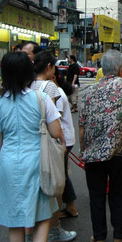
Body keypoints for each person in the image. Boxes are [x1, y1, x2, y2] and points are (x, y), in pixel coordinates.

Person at [0, 52, 63, 242]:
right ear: (29, 72)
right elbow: (57, 132)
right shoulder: (41, 98)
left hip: (9, 165)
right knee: (42, 217)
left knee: (15, 222)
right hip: (37, 163)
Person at [79, 50, 122, 242]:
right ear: (120, 69)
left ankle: (99, 236)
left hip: (92, 153)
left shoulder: (89, 91)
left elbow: (82, 127)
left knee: (96, 195)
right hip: (119, 150)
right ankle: (119, 235)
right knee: (119, 192)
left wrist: (82, 149)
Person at [30, 51, 76, 242]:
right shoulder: (49, 86)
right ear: (49, 67)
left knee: (41, 185)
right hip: (55, 141)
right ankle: (54, 228)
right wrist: (62, 143)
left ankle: (34, 228)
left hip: (36, 142)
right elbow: (53, 120)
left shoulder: (28, 85)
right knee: (57, 185)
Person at [52, 69, 79, 220]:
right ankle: (70, 206)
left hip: (63, 140)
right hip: (65, 140)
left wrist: (60, 143)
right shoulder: (58, 91)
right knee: (62, 173)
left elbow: (57, 121)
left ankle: (70, 207)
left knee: (61, 175)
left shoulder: (57, 94)